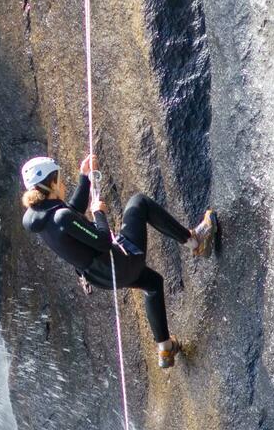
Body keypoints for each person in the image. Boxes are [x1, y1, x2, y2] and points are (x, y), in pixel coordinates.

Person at [21, 154, 217, 368]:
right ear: (51, 184)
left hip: (101, 275)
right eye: (60, 178)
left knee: (153, 283)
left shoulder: (37, 216)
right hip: (118, 264)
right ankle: (195, 240)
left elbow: (72, 213)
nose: (63, 182)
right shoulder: (59, 217)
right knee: (139, 203)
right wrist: (99, 214)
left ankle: (166, 347)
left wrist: (85, 178)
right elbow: (103, 241)